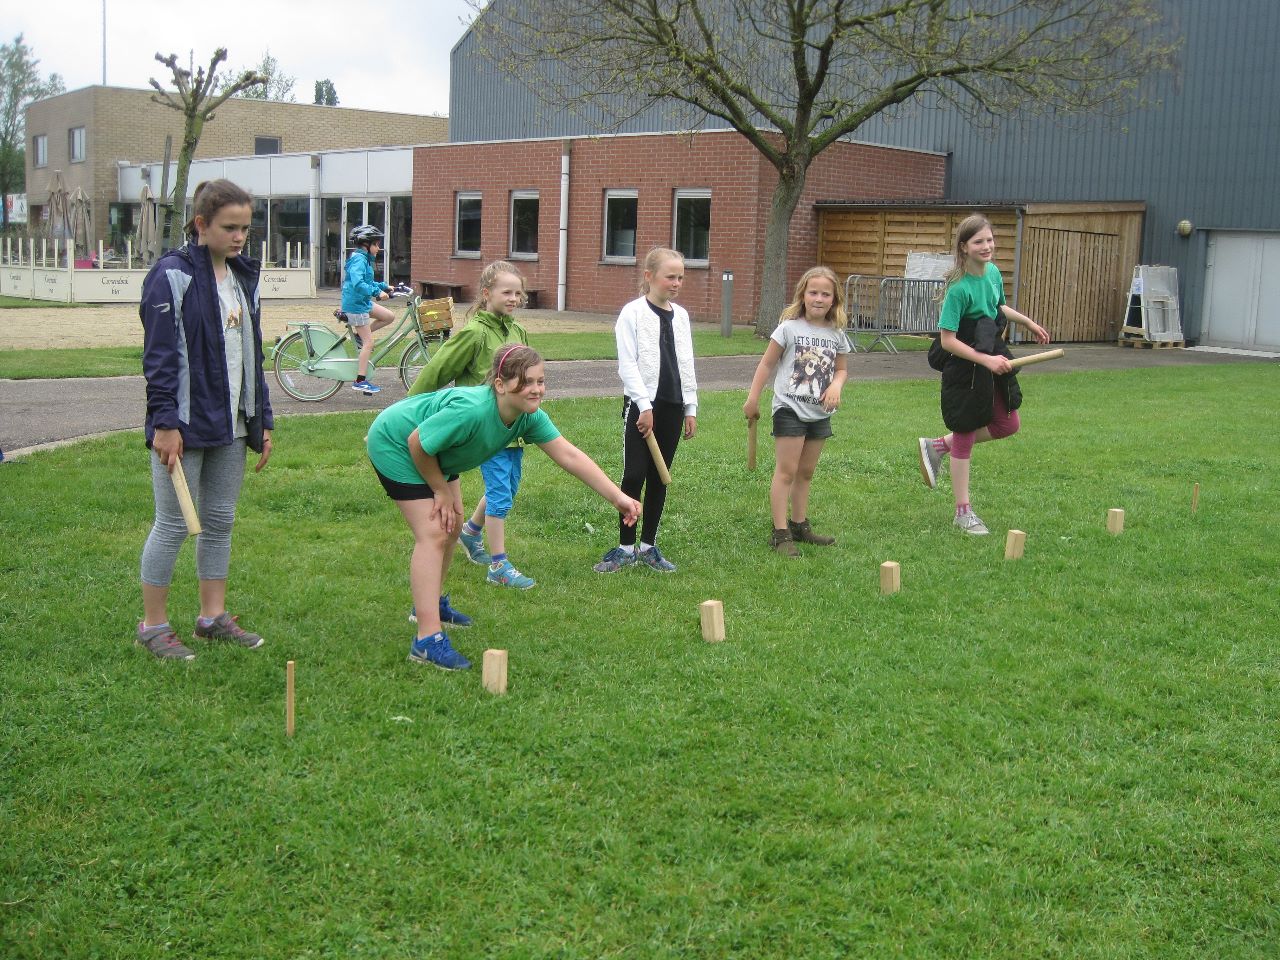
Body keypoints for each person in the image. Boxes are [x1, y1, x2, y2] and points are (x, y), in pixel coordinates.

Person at [367, 345, 642, 671]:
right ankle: (427, 640)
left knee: (453, 527)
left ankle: (430, 605)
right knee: (434, 533)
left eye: (541, 381)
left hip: (438, 451)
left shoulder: (528, 417)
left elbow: (569, 456)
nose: (536, 389)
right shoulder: (472, 411)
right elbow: (417, 442)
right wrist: (440, 490)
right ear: (500, 385)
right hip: (396, 443)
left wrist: (617, 497)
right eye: (526, 382)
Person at [137, 179, 274, 660]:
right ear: (202, 224)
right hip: (184, 426)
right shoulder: (170, 277)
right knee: (173, 524)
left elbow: (251, 354)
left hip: (231, 426)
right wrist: (165, 423)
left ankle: (211, 616)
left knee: (219, 521)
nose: (239, 237)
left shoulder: (242, 278)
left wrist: (262, 419)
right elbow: (157, 359)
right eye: (229, 227)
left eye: (245, 228)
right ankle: (153, 625)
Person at [916, 214, 1050, 535]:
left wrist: (1028, 323)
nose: (987, 246)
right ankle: (963, 512)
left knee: (1008, 422)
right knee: (966, 428)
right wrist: (984, 362)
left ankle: (937, 446)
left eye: (990, 240)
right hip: (964, 365)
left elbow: (998, 308)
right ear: (964, 247)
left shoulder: (992, 273)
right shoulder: (958, 290)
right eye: (979, 242)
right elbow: (947, 340)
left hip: (991, 353)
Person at [408, 260, 536, 589]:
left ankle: (470, 533)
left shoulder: (516, 330)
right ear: (486, 293)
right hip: (483, 430)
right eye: (506, 292)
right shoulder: (474, 333)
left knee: (506, 489)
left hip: (513, 427)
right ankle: (499, 564)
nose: (513, 298)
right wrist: (405, 412)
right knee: (500, 496)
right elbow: (435, 372)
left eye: (518, 293)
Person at [594, 247, 698, 574]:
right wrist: (643, 404)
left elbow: (686, 362)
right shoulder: (632, 313)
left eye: (681, 277)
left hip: (673, 406)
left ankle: (649, 546)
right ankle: (625, 547)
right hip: (642, 408)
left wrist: (690, 407)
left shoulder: (680, 316)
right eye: (670, 276)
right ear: (649, 276)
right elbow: (627, 364)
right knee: (635, 473)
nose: (677, 282)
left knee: (659, 477)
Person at [743, 266, 851, 556]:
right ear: (802, 295)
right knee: (787, 471)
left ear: (834, 299)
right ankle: (780, 534)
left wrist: (836, 387)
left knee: (806, 472)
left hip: (820, 412)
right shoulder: (788, 328)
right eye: (813, 292)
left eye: (825, 294)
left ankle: (800, 525)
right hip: (789, 409)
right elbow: (766, 364)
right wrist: (753, 398)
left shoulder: (837, 334)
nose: (818, 298)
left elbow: (841, 370)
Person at [341, 224, 394, 394]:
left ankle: (358, 336)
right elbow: (358, 283)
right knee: (369, 343)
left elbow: (368, 281)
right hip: (356, 305)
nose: (378, 248)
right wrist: (377, 292)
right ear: (366, 244)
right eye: (376, 244)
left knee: (389, 316)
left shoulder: (364, 259)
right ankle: (360, 381)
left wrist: (384, 287)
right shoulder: (359, 259)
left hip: (362, 302)